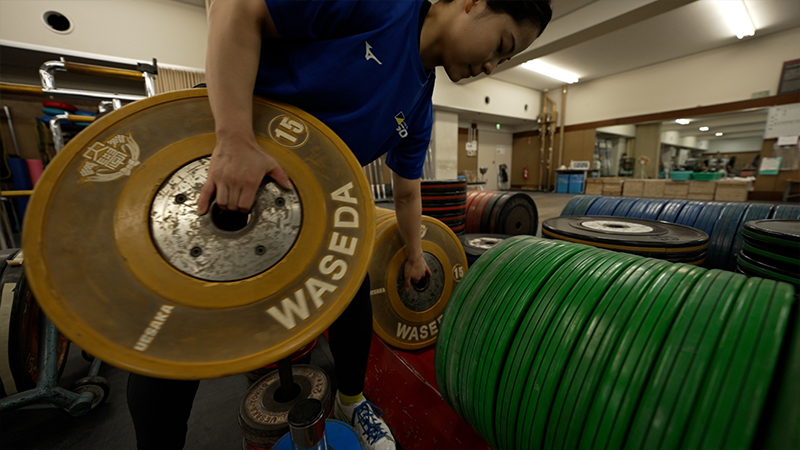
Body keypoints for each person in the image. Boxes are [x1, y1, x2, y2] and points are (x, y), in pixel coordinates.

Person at [126, 0, 552, 449]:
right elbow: (236, 8)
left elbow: (407, 193)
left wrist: (414, 255)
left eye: (504, 60)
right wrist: (234, 138)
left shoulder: (419, 106)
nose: (490, 66)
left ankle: (352, 401)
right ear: (471, 3)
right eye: (501, 44)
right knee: (176, 339)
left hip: (307, 202)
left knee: (350, 287)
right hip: (223, 163)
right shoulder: (384, 6)